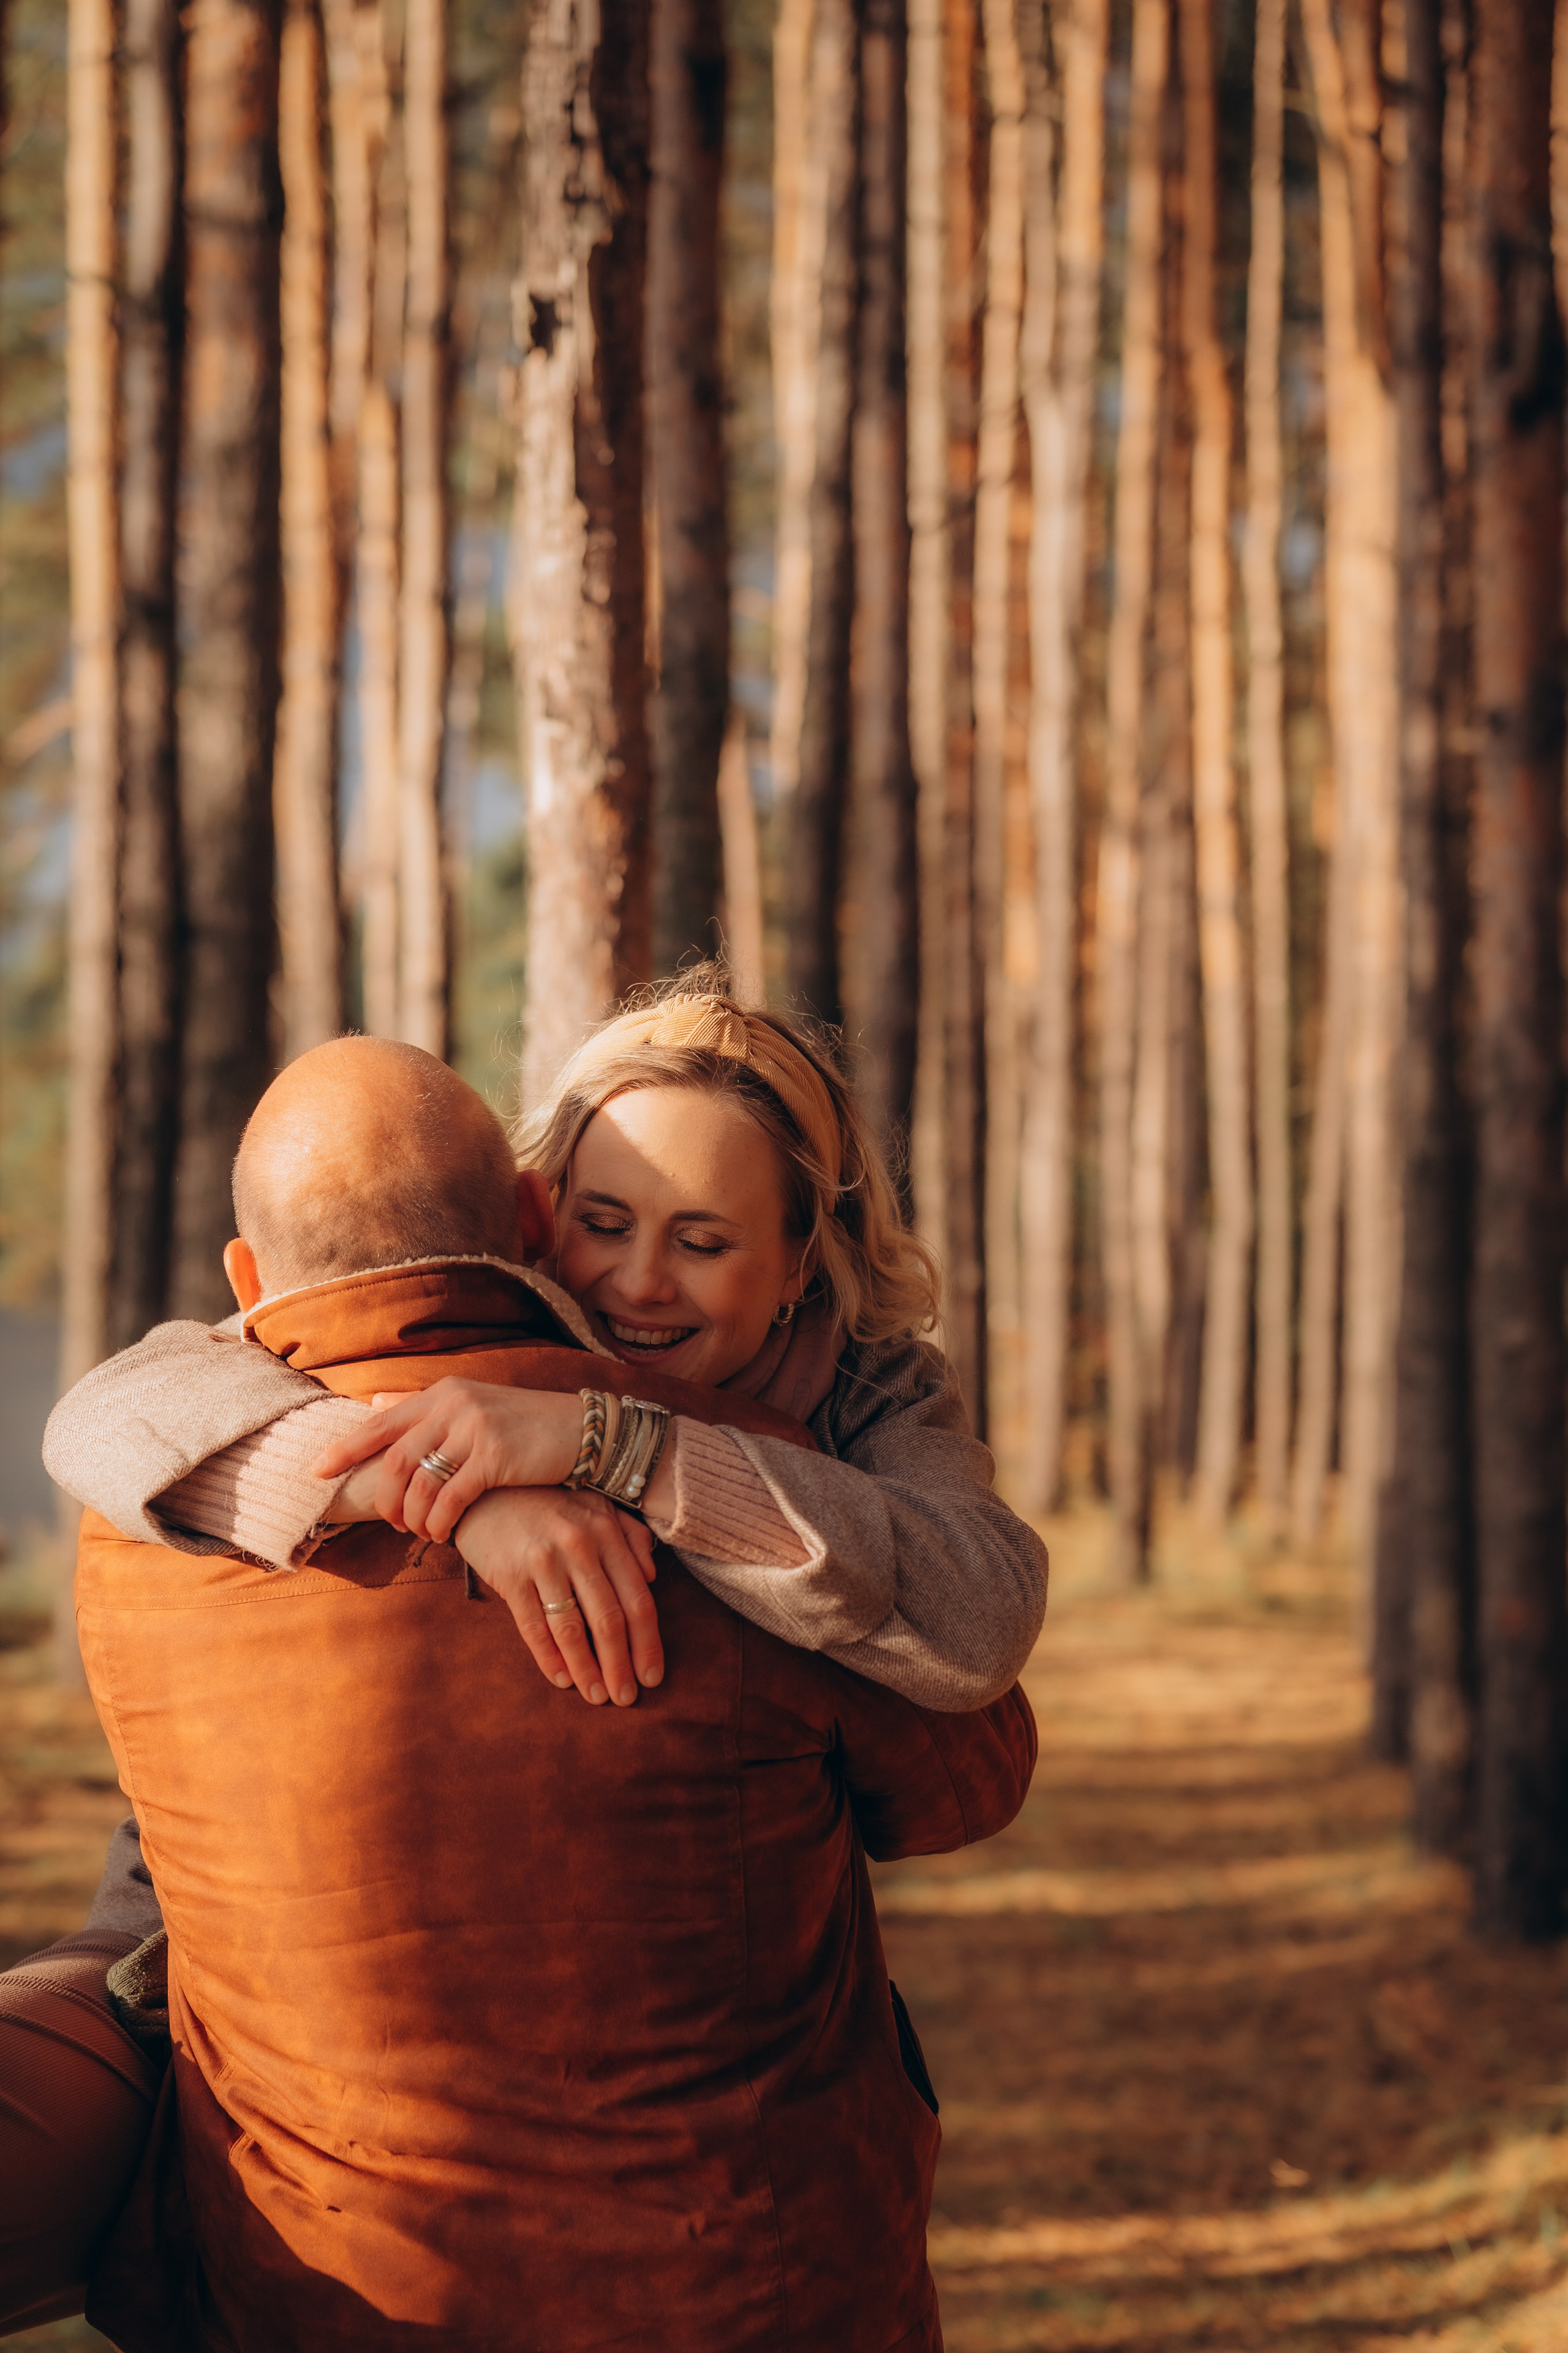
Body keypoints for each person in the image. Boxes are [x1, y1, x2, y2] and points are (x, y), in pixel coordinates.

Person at [58, 1037, 1035, 2349]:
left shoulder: (863, 1403)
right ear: (533, 1212)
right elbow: (98, 1415)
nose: (637, 1281)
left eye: (703, 1239)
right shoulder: (278, 1421)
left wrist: (618, 1444)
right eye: (603, 1221)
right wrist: (431, 1495)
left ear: (802, 1261)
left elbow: (973, 1643)